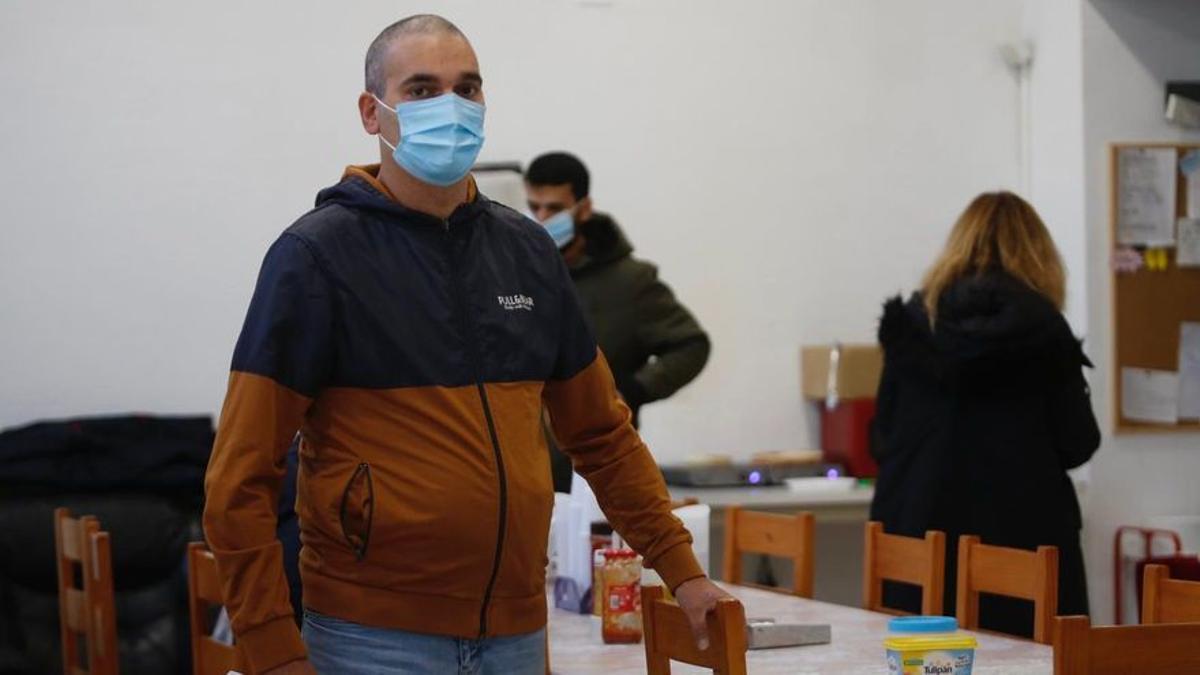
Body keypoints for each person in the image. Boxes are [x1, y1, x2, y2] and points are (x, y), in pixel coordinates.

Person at [202, 15, 729, 675]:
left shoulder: (530, 254)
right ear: (373, 112)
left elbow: (602, 435)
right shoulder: (314, 259)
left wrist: (682, 571)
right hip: (372, 639)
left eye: (467, 88)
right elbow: (238, 479)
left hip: (516, 632)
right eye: (421, 89)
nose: (449, 107)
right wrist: (273, 650)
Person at [870, 191, 1100, 636]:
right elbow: (1077, 444)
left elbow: (884, 437)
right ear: (1039, 254)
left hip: (917, 540)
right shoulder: (1045, 330)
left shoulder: (913, 325)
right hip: (1024, 551)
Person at [525, 153, 710, 490]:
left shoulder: (629, 282)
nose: (541, 218)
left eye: (553, 208)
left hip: (601, 476)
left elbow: (691, 344)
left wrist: (634, 389)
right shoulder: (518, 273)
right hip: (525, 474)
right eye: (533, 207)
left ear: (583, 208)